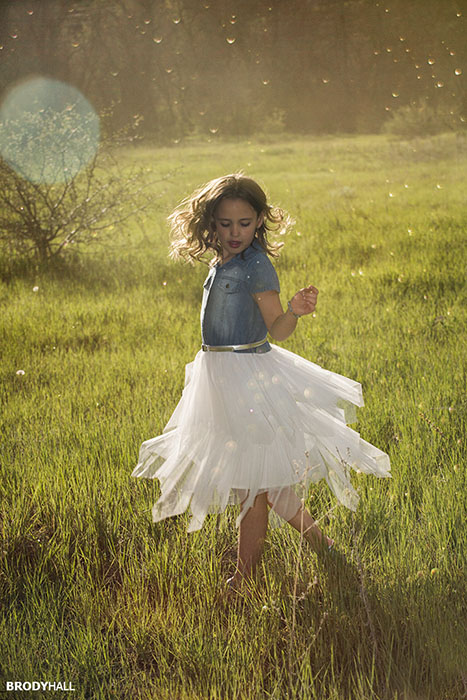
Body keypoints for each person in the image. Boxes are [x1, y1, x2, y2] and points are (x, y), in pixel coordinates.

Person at [132, 173, 391, 592]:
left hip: (248, 379)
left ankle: (245, 576)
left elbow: (278, 330)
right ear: (211, 224)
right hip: (217, 375)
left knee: (250, 484)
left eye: (245, 223)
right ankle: (324, 547)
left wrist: (294, 310)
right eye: (225, 223)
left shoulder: (256, 265)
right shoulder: (221, 259)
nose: (235, 233)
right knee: (265, 481)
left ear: (259, 222)